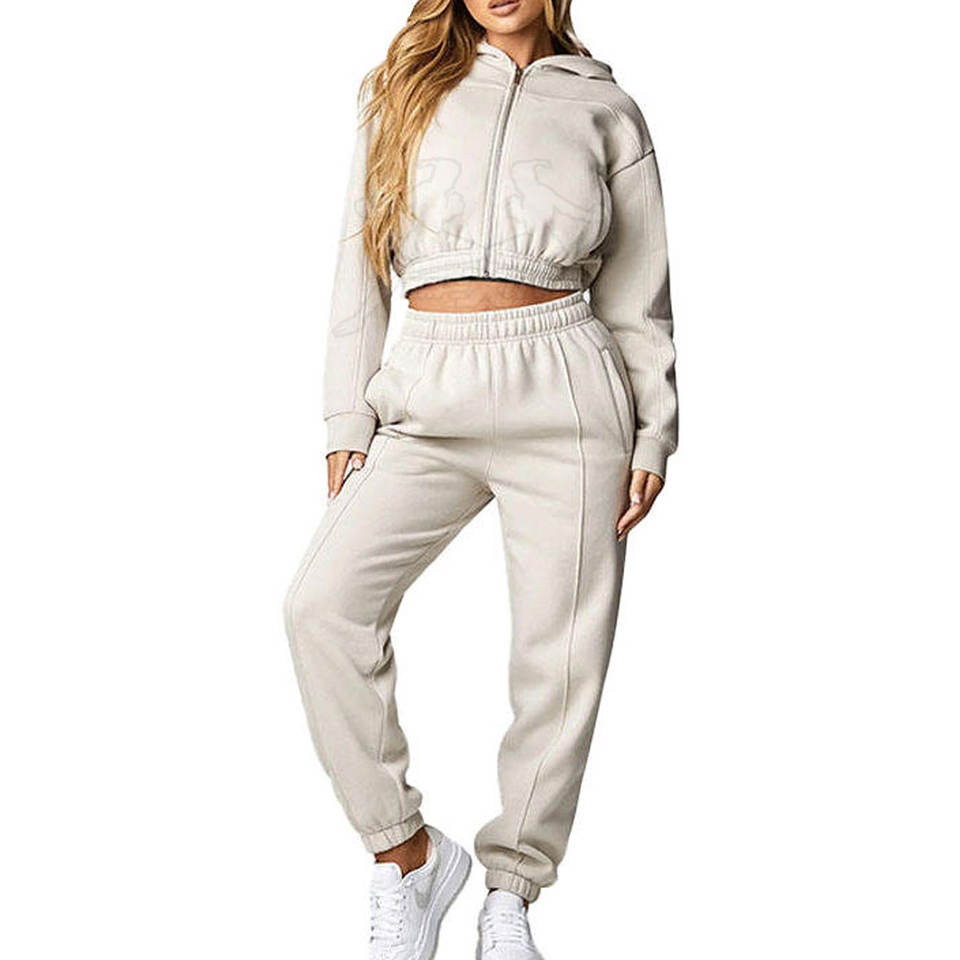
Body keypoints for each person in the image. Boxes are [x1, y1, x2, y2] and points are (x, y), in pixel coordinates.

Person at [283, 1, 678, 956]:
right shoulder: (404, 90)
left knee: (561, 659)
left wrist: (654, 432)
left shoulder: (606, 108)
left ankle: (512, 896)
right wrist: (346, 415)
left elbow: (641, 290)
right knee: (321, 607)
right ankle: (408, 854)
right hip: (428, 382)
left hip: (569, 385)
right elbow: (358, 263)